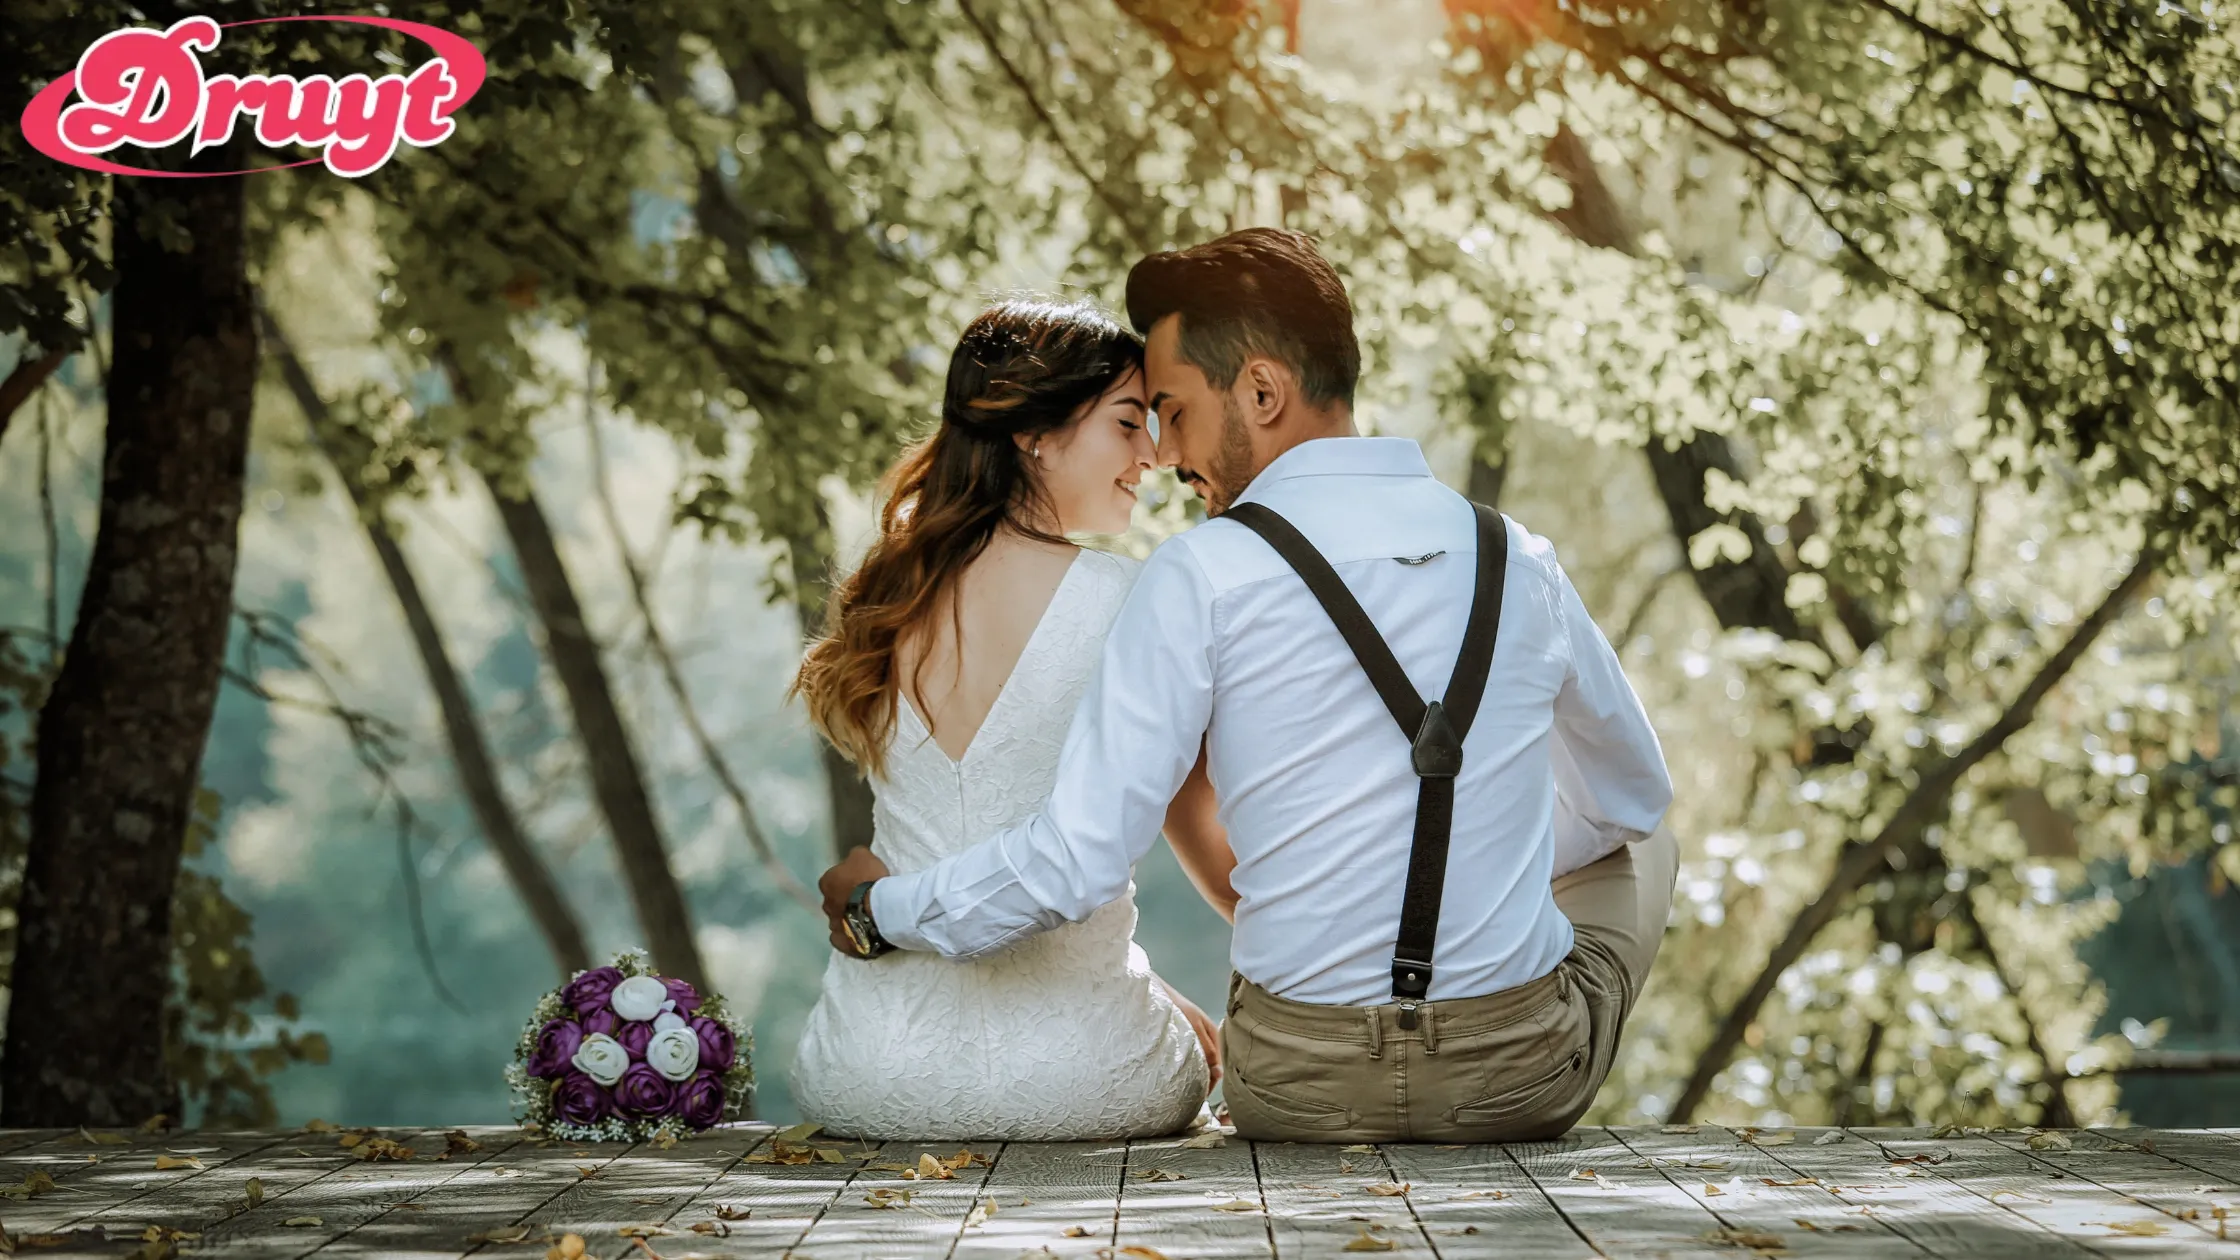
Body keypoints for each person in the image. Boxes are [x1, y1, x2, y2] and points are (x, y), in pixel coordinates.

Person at [818, 229, 1680, 1143]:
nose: (1165, 452)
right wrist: (1482, 865)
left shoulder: (1198, 575)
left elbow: (1076, 858)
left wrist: (882, 909)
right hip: (1516, 1080)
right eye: (1141, 418)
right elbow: (1631, 796)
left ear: (1261, 391)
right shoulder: (1520, 559)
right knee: (1642, 839)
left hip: (1294, 1087)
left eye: (1173, 410)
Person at [786, 298, 1221, 1140]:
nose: (1155, 454)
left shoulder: (885, 598)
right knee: (1204, 1055)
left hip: (867, 1073)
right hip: (1088, 1079)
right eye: (1128, 423)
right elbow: (1090, 867)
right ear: (1034, 432)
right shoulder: (1131, 598)